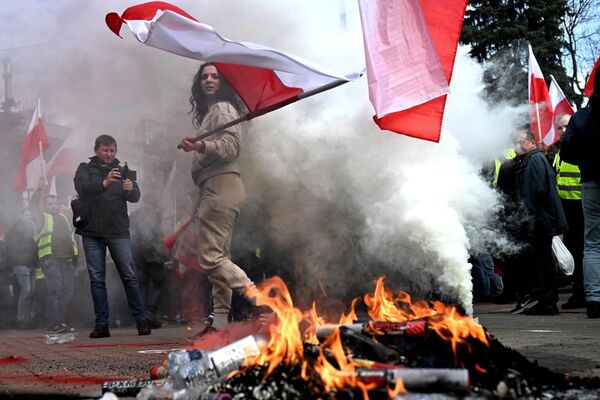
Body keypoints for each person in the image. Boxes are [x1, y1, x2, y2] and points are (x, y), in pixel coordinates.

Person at [179, 63, 256, 336]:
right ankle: (220, 323)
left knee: (211, 258)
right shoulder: (215, 112)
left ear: (223, 82)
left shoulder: (222, 108)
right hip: (219, 187)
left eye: (215, 76)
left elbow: (231, 147)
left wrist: (200, 145)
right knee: (220, 258)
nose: (209, 80)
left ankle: (265, 301)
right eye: (204, 77)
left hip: (221, 185)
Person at [73, 134, 151, 338]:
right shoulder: (85, 169)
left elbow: (135, 197)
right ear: (96, 150)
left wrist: (131, 189)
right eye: (105, 150)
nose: (108, 154)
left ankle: (141, 320)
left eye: (112, 150)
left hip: (118, 232)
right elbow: (82, 188)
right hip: (91, 232)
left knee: (129, 276)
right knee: (97, 279)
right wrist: (105, 183)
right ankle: (101, 324)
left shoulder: (125, 171)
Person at [497, 130, 568, 315]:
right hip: (538, 221)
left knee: (541, 264)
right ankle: (544, 300)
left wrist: (525, 221)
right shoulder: (528, 159)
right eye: (516, 142)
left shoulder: (534, 160)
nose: (518, 145)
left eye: (522, 141)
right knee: (541, 263)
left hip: (538, 223)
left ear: (532, 143)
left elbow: (532, 193)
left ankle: (546, 301)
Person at [560, 72, 600, 319]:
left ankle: (594, 300)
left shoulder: (581, 118)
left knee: (593, 243)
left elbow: (567, 153)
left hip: (591, 183)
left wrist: (586, 161)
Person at [549, 113, 585, 309]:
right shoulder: (562, 151)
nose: (563, 131)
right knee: (574, 251)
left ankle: (582, 294)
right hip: (567, 208)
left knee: (582, 252)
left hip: (582, 206)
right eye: (560, 127)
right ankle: (579, 293)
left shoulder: (578, 147)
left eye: (566, 127)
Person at [31, 193, 79, 333]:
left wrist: (74, 258)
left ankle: (60, 322)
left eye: (55, 203)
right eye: (50, 204)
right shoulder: (42, 218)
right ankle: (53, 323)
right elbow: (32, 206)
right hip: (50, 260)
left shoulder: (64, 217)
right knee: (55, 292)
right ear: (45, 206)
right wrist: (40, 189)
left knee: (67, 292)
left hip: (67, 260)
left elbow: (71, 238)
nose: (53, 206)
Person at [130, 193, 169, 328]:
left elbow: (131, 234)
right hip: (150, 252)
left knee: (142, 285)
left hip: (137, 253)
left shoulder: (134, 215)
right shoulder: (153, 214)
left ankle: (141, 316)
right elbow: (155, 234)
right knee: (159, 282)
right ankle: (150, 312)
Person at [5, 209, 37, 329]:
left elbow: (34, 248)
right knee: (26, 292)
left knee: (31, 293)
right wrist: (11, 266)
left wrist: (36, 263)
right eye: (27, 215)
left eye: (30, 215)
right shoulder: (15, 231)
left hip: (31, 265)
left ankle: (27, 320)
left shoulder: (31, 229)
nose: (29, 217)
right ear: (21, 217)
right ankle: (21, 320)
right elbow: (9, 249)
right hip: (21, 265)